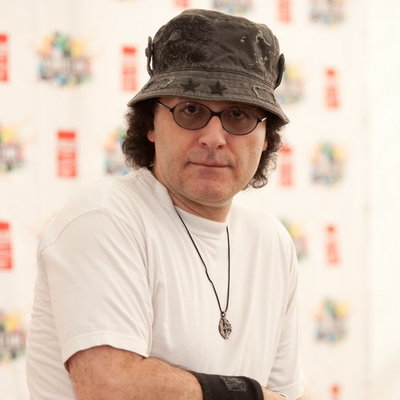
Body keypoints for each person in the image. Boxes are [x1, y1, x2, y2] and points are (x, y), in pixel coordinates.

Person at [27, 8, 306, 400]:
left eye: (239, 115)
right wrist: (250, 394)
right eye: (191, 110)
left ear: (266, 138)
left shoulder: (272, 242)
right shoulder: (105, 217)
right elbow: (110, 386)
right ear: (151, 125)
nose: (214, 137)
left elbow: (287, 395)